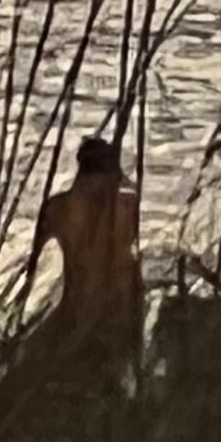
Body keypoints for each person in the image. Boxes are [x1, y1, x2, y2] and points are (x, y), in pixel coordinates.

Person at [20, 137, 145, 394]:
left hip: (76, 315)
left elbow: (32, 274)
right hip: (118, 317)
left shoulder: (57, 207)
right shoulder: (128, 206)